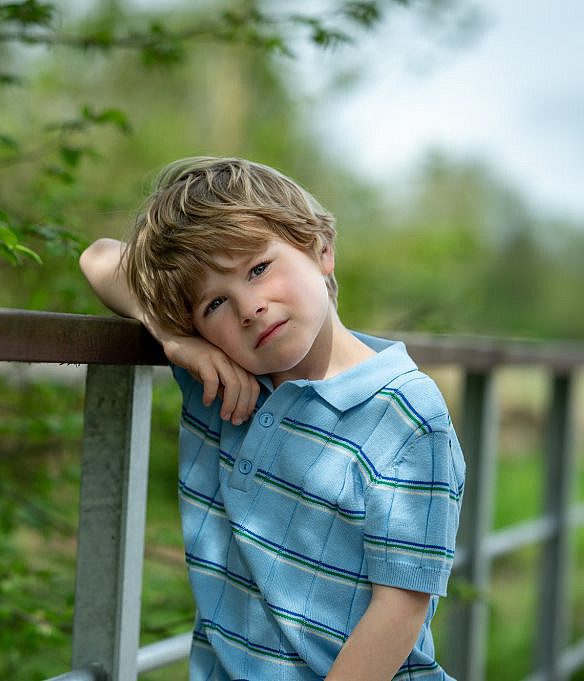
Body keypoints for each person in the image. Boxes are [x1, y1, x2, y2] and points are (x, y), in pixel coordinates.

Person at [79, 157, 465, 680]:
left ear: (321, 249)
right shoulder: (223, 377)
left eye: (259, 269)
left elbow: (401, 608)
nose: (248, 308)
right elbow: (99, 258)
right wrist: (174, 338)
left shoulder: (405, 415)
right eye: (215, 303)